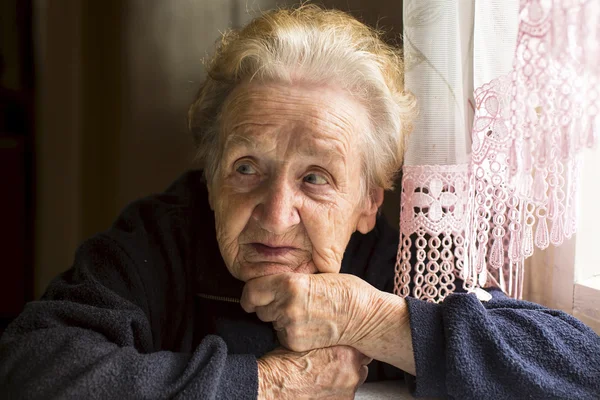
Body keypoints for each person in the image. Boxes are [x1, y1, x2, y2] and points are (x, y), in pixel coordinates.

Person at [1, 4, 599, 400]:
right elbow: (29, 368)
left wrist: (375, 322)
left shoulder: (406, 257)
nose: (275, 212)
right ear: (209, 179)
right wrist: (264, 384)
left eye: (316, 177)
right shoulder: (163, 239)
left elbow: (583, 371)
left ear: (369, 200)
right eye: (245, 168)